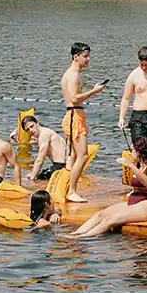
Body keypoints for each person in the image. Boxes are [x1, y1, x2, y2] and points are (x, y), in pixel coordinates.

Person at [72, 136, 147, 237]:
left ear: (140, 150)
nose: (130, 153)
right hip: (134, 201)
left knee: (112, 219)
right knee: (100, 215)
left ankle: (83, 237)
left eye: (131, 150)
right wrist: (133, 165)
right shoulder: (138, 164)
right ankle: (75, 234)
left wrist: (131, 166)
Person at [61, 43, 107, 204]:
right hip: (74, 116)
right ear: (76, 56)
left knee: (75, 156)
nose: (88, 59)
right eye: (85, 56)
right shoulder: (73, 75)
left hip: (75, 115)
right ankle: (71, 191)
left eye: (88, 56)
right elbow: (74, 98)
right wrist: (93, 91)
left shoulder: (72, 73)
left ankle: (68, 188)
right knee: (83, 155)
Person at [18, 114, 69, 184]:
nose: (31, 130)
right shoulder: (46, 132)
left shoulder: (43, 135)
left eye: (32, 126)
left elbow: (40, 159)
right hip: (64, 165)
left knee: (32, 182)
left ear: (37, 123)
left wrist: (33, 175)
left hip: (60, 167)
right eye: (28, 130)